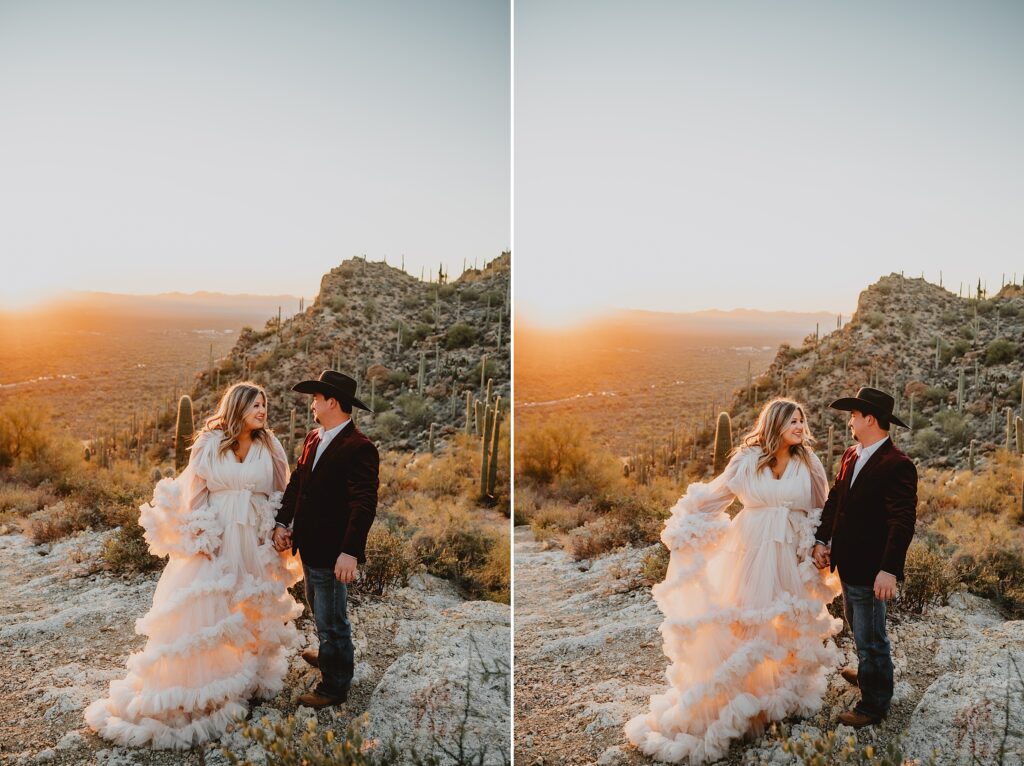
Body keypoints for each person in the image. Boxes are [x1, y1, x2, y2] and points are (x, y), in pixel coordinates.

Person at [85, 382, 303, 750]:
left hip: (254, 533)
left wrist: (282, 528)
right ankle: (217, 678)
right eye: (255, 404)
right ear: (237, 406)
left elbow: (284, 491)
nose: (263, 410)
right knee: (214, 607)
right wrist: (203, 538)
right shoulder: (209, 443)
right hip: (218, 533)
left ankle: (248, 676)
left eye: (265, 404)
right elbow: (196, 496)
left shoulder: (271, 445)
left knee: (251, 602)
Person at [625, 398, 843, 764]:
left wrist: (821, 545)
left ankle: (777, 698)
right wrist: (686, 523)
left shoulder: (810, 462)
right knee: (745, 619)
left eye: (803, 420)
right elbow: (717, 498)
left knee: (785, 624)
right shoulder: (746, 460)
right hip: (750, 548)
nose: (801, 426)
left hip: (791, 549)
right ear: (774, 422)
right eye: (793, 420)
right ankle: (742, 698)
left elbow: (823, 508)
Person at [272, 370, 379, 709]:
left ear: (332, 402)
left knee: (333, 619)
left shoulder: (360, 447)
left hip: (333, 551)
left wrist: (349, 552)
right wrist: (281, 521)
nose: (312, 405)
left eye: (316, 399)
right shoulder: (314, 438)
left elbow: (364, 504)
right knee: (320, 609)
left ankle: (334, 686)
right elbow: (297, 483)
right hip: (309, 545)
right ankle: (327, 654)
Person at [812, 387, 916, 728]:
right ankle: (868, 672)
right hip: (848, 563)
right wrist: (821, 539)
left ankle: (874, 704)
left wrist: (889, 570)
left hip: (872, 568)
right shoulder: (851, 455)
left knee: (872, 636)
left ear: (869, 419)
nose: (850, 421)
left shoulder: (897, 465)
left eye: (854, 415)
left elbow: (902, 521)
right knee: (860, 627)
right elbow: (835, 501)